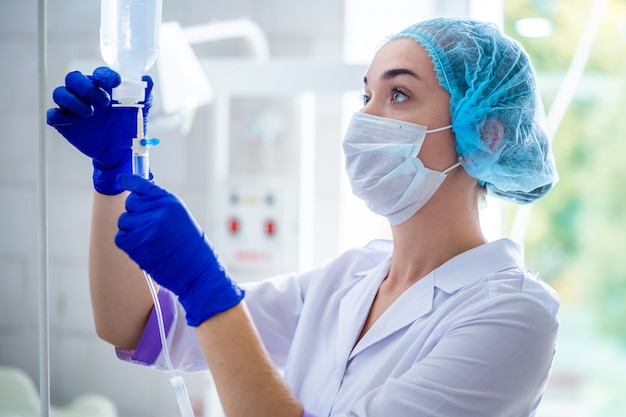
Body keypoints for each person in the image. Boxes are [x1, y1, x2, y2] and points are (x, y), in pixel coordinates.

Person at [47, 17, 560, 417]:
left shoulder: (513, 313)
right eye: (366, 95)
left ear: (486, 136)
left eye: (398, 94)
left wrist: (207, 286)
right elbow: (133, 325)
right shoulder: (350, 279)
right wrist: (114, 176)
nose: (365, 117)